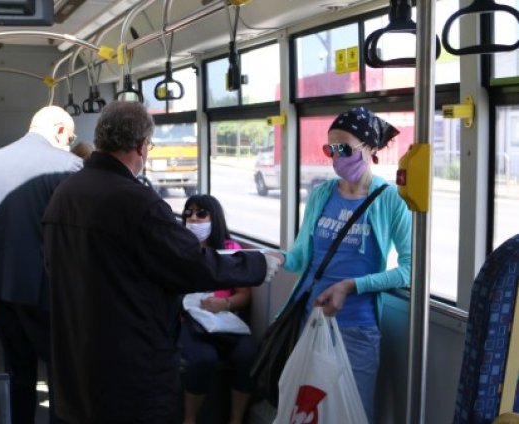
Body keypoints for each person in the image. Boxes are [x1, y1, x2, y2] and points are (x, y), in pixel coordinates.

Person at [42, 101, 275, 424]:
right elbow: (191, 263)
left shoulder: (65, 193)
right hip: (130, 363)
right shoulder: (137, 202)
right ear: (141, 146)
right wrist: (257, 265)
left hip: (74, 350)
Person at [268, 106, 412, 422]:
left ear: (371, 149)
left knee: (353, 412)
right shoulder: (321, 195)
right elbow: (302, 257)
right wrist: (279, 259)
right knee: (307, 409)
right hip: (312, 319)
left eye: (344, 148)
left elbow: (409, 270)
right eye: (330, 149)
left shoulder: (390, 200)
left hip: (357, 326)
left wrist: (351, 286)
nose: (336, 157)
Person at [0, 105, 82, 424]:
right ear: (59, 130)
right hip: (45, 286)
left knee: (17, 366)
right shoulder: (70, 166)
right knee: (61, 367)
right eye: (69, 136)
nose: (69, 142)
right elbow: (76, 233)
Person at [179, 194, 257, 424]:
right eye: (188, 213)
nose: (193, 219)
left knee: (248, 356)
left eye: (201, 214)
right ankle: (189, 419)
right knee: (204, 359)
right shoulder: (179, 250)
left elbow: (244, 295)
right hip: (191, 321)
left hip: (225, 319)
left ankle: (236, 419)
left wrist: (225, 303)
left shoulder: (231, 250)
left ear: (215, 219)